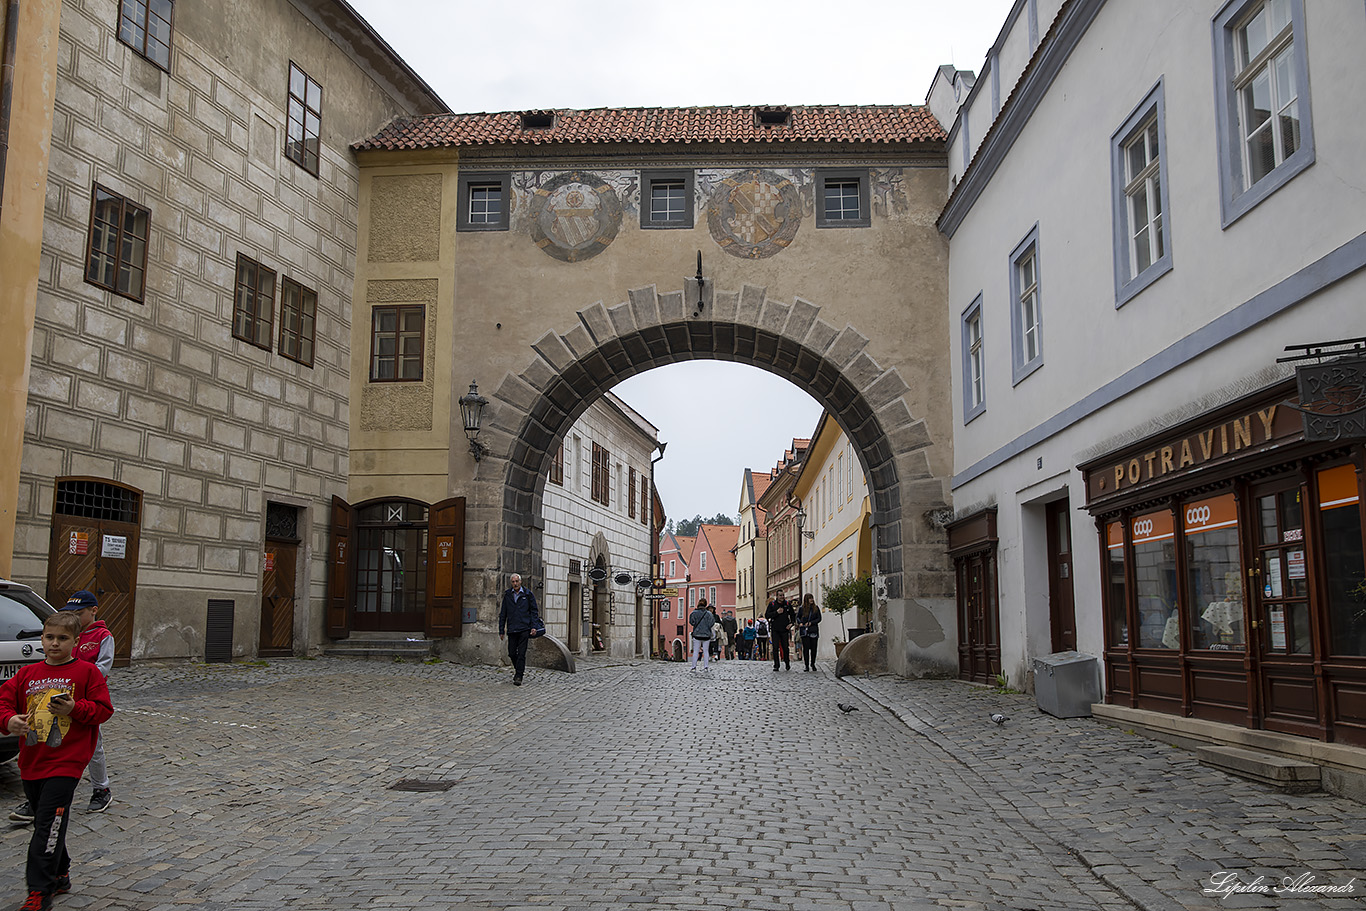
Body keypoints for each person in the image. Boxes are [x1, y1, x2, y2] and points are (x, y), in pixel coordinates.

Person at [0, 611, 114, 910]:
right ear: (42, 638)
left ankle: (40, 891)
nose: (54, 644)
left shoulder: (86, 673)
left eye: (62, 639)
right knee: (47, 822)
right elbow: (3, 701)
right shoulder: (27, 673)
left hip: (67, 762)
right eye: (49, 637)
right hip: (32, 760)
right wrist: (8, 720)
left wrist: (75, 708)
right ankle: (60, 873)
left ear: (75, 642)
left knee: (46, 825)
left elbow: (103, 710)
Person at [498, 573, 543, 686]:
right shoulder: (508, 595)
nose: (515, 584)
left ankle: (519, 675)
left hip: (524, 628)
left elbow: (534, 611)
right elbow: (503, 613)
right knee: (512, 653)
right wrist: (501, 629)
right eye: (513, 582)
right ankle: (519, 668)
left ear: (520, 582)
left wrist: (533, 626)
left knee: (521, 653)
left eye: (517, 581)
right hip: (512, 628)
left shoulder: (528, 594)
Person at [766, 596, 794, 671]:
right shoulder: (772, 604)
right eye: (780, 595)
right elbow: (767, 615)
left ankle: (787, 663)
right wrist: (776, 612)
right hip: (775, 629)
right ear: (777, 596)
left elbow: (792, 615)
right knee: (775, 647)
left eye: (783, 595)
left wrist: (791, 624)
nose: (782, 597)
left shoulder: (787, 604)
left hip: (784, 629)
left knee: (785, 647)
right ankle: (776, 665)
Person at [688, 599, 715, 670]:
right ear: (705, 605)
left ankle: (693, 666)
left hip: (697, 634)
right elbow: (712, 623)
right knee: (706, 651)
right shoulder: (709, 614)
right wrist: (707, 627)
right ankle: (706, 666)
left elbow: (691, 622)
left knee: (696, 651)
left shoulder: (694, 613)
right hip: (706, 635)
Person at [797, 593, 822, 671]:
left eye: (812, 598)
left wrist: (812, 623)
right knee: (806, 649)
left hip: (813, 630)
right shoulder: (802, 609)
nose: (811, 600)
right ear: (806, 600)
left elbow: (819, 618)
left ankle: (813, 663)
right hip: (805, 631)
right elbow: (798, 617)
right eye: (810, 598)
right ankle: (807, 665)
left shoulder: (816, 608)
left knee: (814, 648)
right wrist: (800, 623)